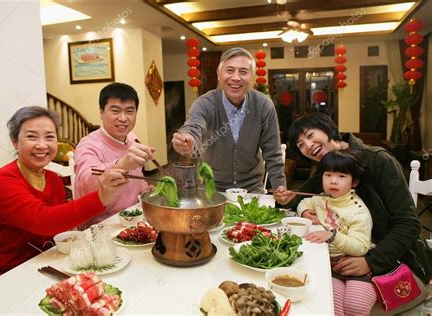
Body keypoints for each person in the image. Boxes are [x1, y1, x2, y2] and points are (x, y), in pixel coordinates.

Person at [275, 113, 430, 311]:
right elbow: (300, 197)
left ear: (328, 129)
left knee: (326, 307)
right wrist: (292, 203)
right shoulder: (329, 164)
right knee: (312, 295)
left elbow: (408, 224)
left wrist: (370, 262)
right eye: (301, 145)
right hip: (348, 259)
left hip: (400, 265)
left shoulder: (378, 160)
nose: (308, 145)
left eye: (311, 135)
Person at [0, 106, 128, 291]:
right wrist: (100, 197)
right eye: (32, 137)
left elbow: (60, 227)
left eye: (49, 137)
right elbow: (44, 220)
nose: (42, 145)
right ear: (15, 142)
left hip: (39, 268)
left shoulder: (53, 180)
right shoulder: (2, 183)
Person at [172, 47, 285, 193]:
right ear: (219, 74)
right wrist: (188, 138)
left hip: (251, 189)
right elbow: (194, 127)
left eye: (243, 72)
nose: (236, 78)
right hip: (212, 189)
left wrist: (280, 187)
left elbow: (273, 153)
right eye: (230, 70)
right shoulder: (205, 103)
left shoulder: (263, 104)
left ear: (251, 76)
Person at [298, 150, 376, 315]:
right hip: (328, 266)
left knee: (356, 306)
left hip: (357, 268)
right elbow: (304, 202)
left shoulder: (358, 211)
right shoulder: (320, 199)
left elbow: (361, 246)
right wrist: (304, 212)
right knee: (330, 306)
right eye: (328, 175)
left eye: (341, 176)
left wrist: (332, 235)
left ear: (354, 182)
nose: (333, 181)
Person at [74, 82, 154, 227]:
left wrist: (145, 189)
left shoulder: (132, 138)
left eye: (130, 111)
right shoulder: (88, 145)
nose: (123, 118)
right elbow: (86, 181)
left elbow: (138, 178)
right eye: (115, 111)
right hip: (101, 226)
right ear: (101, 112)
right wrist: (121, 164)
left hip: (134, 217)